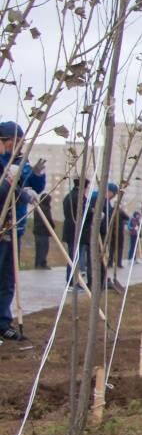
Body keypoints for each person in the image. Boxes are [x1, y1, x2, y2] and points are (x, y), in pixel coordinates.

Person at [0, 121, 47, 339]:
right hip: (1, 226)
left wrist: (37, 174)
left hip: (15, 227)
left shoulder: (20, 161)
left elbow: (34, 186)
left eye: (20, 142)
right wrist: (14, 187)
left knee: (8, 278)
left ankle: (3, 322)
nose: (17, 146)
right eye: (13, 142)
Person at [32, 193, 53, 269]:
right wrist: (53, 227)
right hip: (43, 232)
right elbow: (49, 219)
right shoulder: (46, 209)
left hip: (37, 231)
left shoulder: (37, 208)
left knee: (38, 249)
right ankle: (42, 264)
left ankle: (37, 264)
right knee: (44, 248)